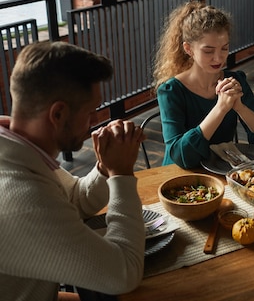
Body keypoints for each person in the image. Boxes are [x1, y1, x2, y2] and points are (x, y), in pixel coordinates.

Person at [0, 41, 146, 301]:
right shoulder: (24, 198)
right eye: (90, 111)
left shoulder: (16, 150)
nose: (95, 121)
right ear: (58, 114)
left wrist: (104, 168)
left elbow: (76, 199)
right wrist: (122, 175)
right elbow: (123, 274)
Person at [153, 0, 254, 168]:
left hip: (222, 170)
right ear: (188, 49)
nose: (218, 58)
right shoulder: (171, 91)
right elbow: (181, 156)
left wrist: (240, 107)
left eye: (224, 48)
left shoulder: (235, 81)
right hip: (180, 177)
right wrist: (221, 109)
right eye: (208, 51)